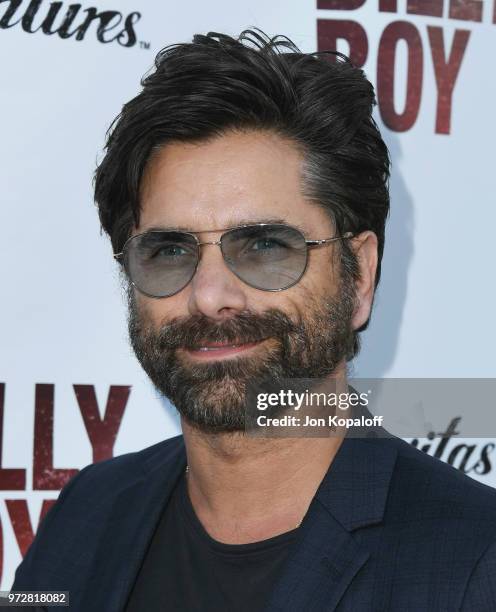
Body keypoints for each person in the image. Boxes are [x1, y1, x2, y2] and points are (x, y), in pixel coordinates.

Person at [11, 29, 496, 611]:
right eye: (169, 251)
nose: (212, 296)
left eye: (267, 246)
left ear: (359, 275)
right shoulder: (86, 511)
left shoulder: (475, 560)